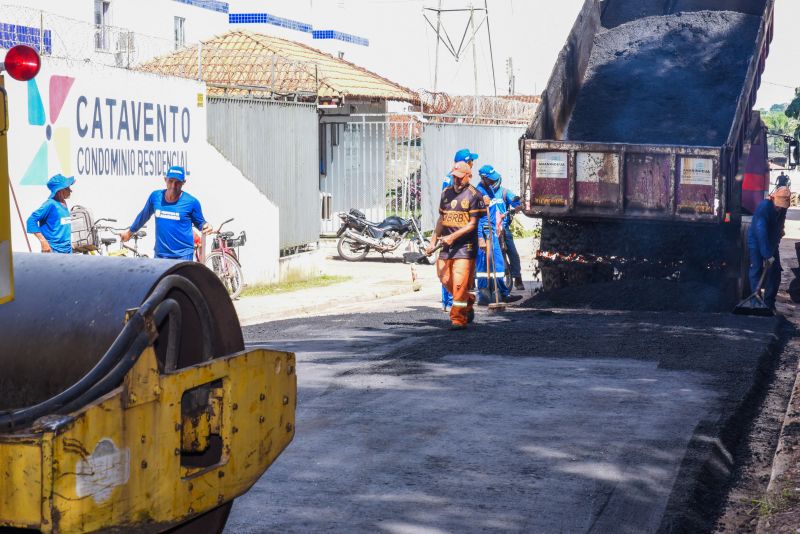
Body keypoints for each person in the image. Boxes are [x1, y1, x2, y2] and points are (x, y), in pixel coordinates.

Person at [427, 161, 485, 330]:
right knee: (444, 277)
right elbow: (441, 220)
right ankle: (467, 300)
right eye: (454, 177)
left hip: (465, 248)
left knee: (459, 282)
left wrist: (453, 236)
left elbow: (473, 224)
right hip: (446, 245)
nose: (457, 181)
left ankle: (458, 319)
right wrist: (432, 242)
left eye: (460, 178)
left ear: (469, 177)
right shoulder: (445, 193)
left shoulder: (474, 195)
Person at [121, 166, 212, 260]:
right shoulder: (155, 197)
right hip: (160, 255)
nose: (173, 186)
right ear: (165, 180)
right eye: (171, 181)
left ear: (183, 183)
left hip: (182, 256)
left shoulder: (191, 202)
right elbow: (144, 216)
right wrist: (130, 232)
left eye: (177, 182)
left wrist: (207, 226)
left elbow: (201, 223)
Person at [475, 165, 522, 304]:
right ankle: (484, 295)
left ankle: (502, 293)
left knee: (499, 264)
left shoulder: (492, 190)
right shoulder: (479, 193)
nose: (493, 182)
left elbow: (514, 201)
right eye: (490, 179)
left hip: (495, 231)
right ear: (484, 178)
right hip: (485, 233)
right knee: (484, 265)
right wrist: (480, 238)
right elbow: (477, 218)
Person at [440, 148, 479, 311]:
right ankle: (454, 301)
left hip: (459, 239)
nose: (472, 165)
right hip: (451, 235)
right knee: (448, 275)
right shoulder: (454, 183)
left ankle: (456, 307)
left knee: (457, 276)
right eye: (471, 162)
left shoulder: (455, 180)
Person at [748, 186, 791, 309]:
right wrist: (767, 254)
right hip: (756, 240)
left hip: (771, 240)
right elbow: (761, 231)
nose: (779, 208)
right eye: (778, 205)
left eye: (782, 206)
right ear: (773, 198)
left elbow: (780, 223)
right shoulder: (764, 207)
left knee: (775, 271)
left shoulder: (782, 209)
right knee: (756, 268)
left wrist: (777, 237)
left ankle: (769, 303)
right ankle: (756, 302)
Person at [26, 174, 75, 254]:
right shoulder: (50, 204)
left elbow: (62, 225)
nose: (70, 190)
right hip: (53, 251)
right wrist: (43, 242)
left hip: (67, 251)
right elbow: (31, 220)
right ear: (60, 190)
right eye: (67, 188)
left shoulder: (63, 202)